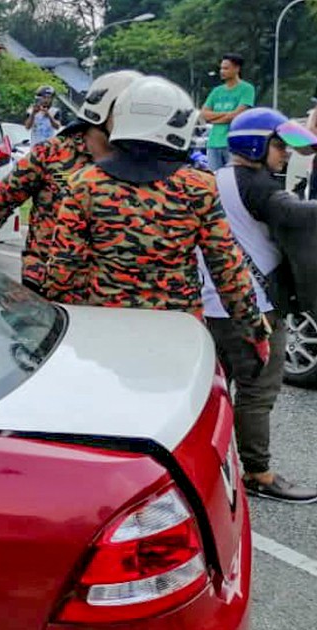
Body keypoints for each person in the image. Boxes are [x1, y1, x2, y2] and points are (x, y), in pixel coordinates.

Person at [42, 76, 270, 356]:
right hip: (178, 329)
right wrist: (253, 330)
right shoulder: (198, 186)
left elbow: (63, 271)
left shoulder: (84, 184)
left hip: (107, 328)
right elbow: (226, 269)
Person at [199, 108, 317, 502]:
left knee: (214, 390)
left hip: (212, 303)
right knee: (257, 392)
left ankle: (208, 465)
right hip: (255, 309)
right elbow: (294, 214)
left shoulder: (215, 178)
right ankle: (259, 474)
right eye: (279, 146)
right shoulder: (259, 185)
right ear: (256, 145)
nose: (284, 155)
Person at [0, 70, 143, 289]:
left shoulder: (141, 162)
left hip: (110, 288)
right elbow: (5, 198)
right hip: (46, 281)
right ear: (102, 111)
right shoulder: (52, 153)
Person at [201, 53, 255, 170]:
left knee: (232, 180)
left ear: (237, 69)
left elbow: (237, 115)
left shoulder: (247, 89)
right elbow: (204, 114)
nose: (222, 71)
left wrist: (214, 119)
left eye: (226, 68)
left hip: (233, 144)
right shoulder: (216, 91)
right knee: (214, 181)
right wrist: (226, 114)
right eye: (221, 68)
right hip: (213, 143)